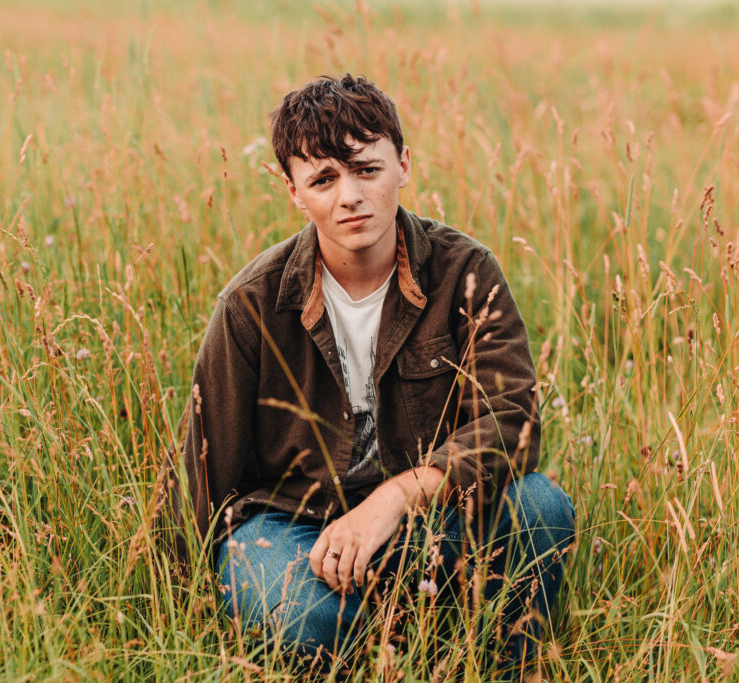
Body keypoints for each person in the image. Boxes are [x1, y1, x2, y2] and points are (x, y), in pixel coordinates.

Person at [158, 74, 576, 676]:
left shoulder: (464, 270)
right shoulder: (251, 303)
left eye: (367, 169)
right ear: (295, 192)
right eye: (323, 179)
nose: (349, 195)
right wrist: (179, 602)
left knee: (541, 508)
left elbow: (514, 421)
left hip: (425, 519)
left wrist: (396, 497)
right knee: (303, 615)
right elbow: (205, 467)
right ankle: (425, 626)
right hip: (295, 528)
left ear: (403, 164)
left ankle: (485, 661)